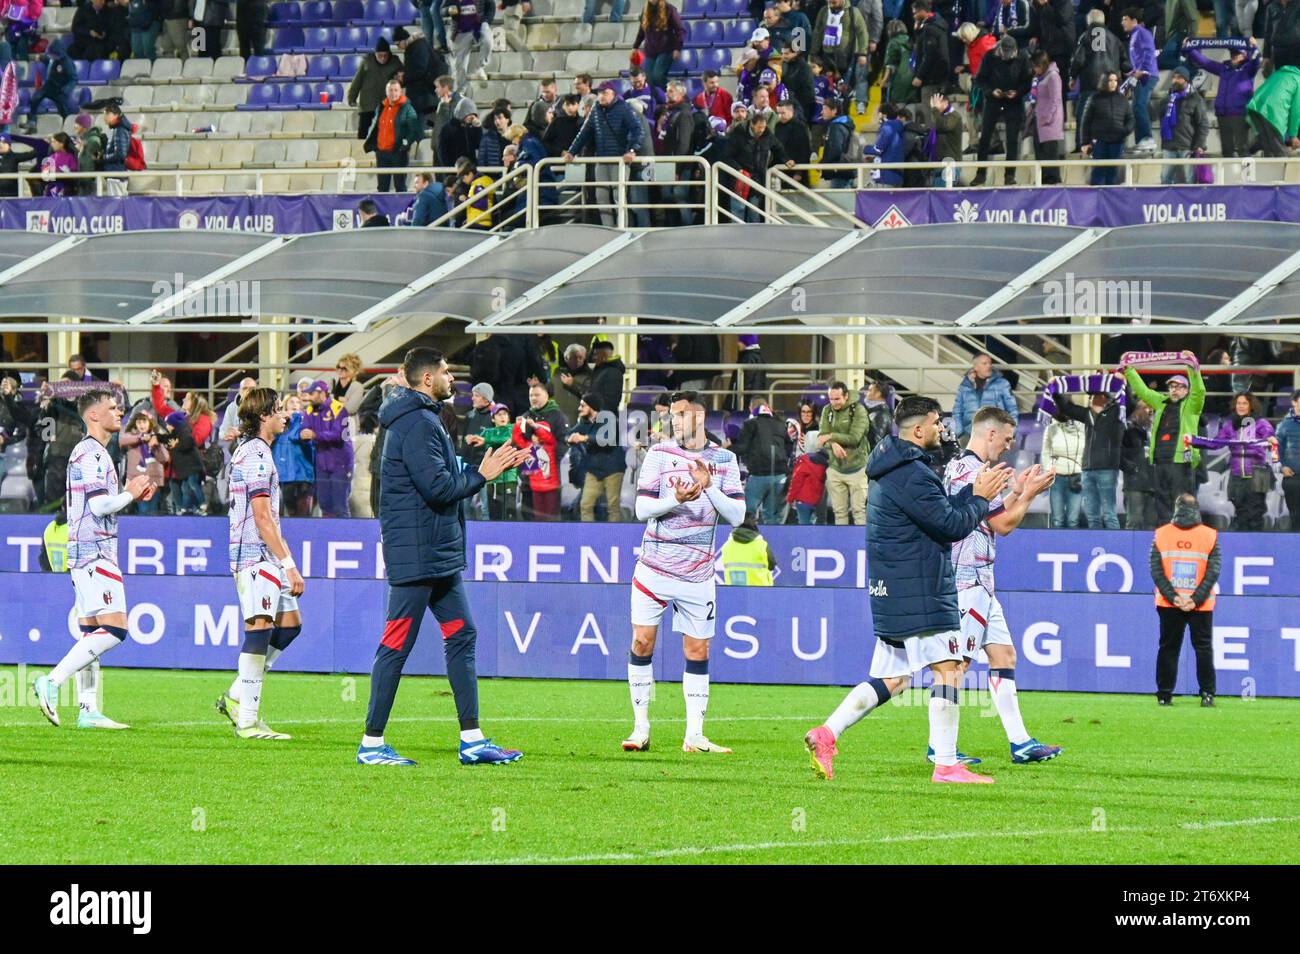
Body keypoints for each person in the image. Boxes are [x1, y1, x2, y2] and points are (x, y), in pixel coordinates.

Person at [803, 395, 1011, 784]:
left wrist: (972, 496)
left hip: (893, 587)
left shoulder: (894, 466)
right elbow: (950, 527)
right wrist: (981, 497)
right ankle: (947, 764)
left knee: (894, 679)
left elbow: (939, 513)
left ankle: (826, 733)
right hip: (919, 586)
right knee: (948, 669)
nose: (942, 430)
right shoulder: (912, 474)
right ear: (919, 430)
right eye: (936, 423)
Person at [358, 349, 529, 766]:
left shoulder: (423, 417)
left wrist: (476, 469)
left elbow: (440, 479)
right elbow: (438, 489)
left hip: (436, 554)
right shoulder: (416, 423)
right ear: (428, 378)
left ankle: (472, 739)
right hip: (417, 554)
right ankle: (371, 744)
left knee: (462, 634)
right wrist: (481, 476)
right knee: (396, 644)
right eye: (448, 371)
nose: (454, 378)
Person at [625, 391, 745, 754]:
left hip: (698, 573)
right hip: (654, 568)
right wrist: (674, 500)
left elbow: (737, 516)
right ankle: (640, 729)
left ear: (699, 416)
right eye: (672, 415)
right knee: (642, 642)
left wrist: (709, 488)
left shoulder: (724, 459)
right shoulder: (659, 454)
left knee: (697, 648)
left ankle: (694, 735)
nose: (673, 421)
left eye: (680, 414)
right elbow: (642, 509)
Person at [944, 407, 1061, 764]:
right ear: (990, 434)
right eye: (1007, 438)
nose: (1009, 445)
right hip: (968, 578)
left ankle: (1021, 743)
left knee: (1003, 656)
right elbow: (1004, 524)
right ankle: (941, 747)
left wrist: (1019, 490)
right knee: (957, 664)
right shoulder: (973, 470)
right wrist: (1029, 495)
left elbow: (991, 516)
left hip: (981, 580)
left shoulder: (964, 468)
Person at [31, 390, 153, 731]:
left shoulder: (95, 452)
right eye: (112, 408)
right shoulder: (90, 454)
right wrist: (129, 493)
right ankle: (52, 682)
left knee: (90, 632)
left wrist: (132, 492)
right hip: (95, 551)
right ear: (93, 416)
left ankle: (88, 709)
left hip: (85, 551)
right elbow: (98, 506)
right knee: (114, 629)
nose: (120, 411)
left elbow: (98, 503)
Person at [212, 389, 305, 740]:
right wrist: (289, 564)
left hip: (265, 555)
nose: (286, 415)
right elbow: (262, 516)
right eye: (279, 409)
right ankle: (248, 721)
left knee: (290, 625)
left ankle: (236, 695)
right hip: (253, 554)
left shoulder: (259, 452)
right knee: (260, 626)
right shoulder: (255, 456)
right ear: (264, 416)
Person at [1150, 494, 1221, 706]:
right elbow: (1213, 571)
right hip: (1200, 604)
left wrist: (1174, 597)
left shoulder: (1161, 534)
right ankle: (1207, 695)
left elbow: (1156, 571)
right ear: (1196, 508)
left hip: (1169, 603)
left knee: (1168, 648)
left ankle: (1164, 695)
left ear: (1176, 507)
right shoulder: (1210, 535)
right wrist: (1195, 599)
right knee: (1204, 649)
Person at [1123, 351, 1205, 526]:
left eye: (1179, 386)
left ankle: (1184, 536)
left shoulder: (1191, 405)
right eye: (1172, 386)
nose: (1174, 389)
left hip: (1181, 463)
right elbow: (1142, 391)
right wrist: (1129, 370)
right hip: (1160, 462)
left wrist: (1192, 367)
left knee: (1182, 504)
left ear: (1186, 390)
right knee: (1161, 504)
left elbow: (1199, 390)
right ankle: (1164, 536)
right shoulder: (1160, 402)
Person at [1189, 391, 1278, 532]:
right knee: (1240, 512)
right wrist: (1194, 441)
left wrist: (1270, 440)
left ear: (1251, 406)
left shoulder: (1262, 423)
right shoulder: (1230, 425)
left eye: (1244, 403)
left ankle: (1256, 546)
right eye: (1238, 403)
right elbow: (1216, 443)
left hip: (1259, 473)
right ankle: (1242, 546)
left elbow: (1270, 438)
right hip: (1237, 475)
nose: (1241, 406)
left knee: (1255, 513)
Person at [563, 82, 643, 228]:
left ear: (613, 94)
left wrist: (632, 150)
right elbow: (585, 132)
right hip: (601, 159)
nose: (601, 96)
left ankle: (622, 229)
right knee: (601, 198)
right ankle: (608, 229)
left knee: (619, 197)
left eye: (605, 93)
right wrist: (571, 151)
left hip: (620, 160)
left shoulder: (624, 108)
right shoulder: (596, 109)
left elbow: (637, 130)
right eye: (600, 93)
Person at [1056, 389, 1125, 529]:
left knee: (1109, 513)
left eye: (1096, 395)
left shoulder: (1116, 413)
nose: (1092, 398)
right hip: (1088, 469)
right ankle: (1095, 542)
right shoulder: (1087, 414)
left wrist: (1123, 385)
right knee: (1092, 514)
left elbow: (1127, 402)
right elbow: (1066, 407)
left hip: (1107, 468)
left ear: (1105, 398)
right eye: (1091, 396)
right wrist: (1055, 391)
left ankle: (1115, 545)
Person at [1183, 39, 1259, 159]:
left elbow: (1257, 60)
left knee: (1243, 150)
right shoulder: (1224, 68)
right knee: (1226, 151)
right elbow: (1206, 63)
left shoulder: (1248, 69)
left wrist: (1255, 46)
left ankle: (1247, 177)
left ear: (1244, 55)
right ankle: (1228, 177)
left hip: (1239, 114)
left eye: (1237, 54)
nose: (1233, 56)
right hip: (1222, 115)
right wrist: (1190, 49)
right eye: (1232, 53)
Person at [971, 33, 1029, 186]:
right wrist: (991, 91)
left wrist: (1018, 92)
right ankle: (980, 173)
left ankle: (1010, 175)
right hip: (993, 101)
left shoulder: (1023, 58)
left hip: (1013, 102)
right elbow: (980, 79)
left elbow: (1027, 82)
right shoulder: (990, 57)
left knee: (1012, 140)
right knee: (984, 138)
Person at [1071, 8, 1128, 154]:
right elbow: (1125, 63)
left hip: (1090, 83)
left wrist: (1073, 76)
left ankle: (1082, 145)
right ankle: (1118, 145)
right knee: (1113, 115)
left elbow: (1078, 60)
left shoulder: (1085, 36)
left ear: (1088, 21)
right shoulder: (1114, 38)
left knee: (1083, 115)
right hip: (1111, 84)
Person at [817, 381, 870, 525]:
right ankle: (843, 546)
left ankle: (861, 546)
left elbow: (854, 438)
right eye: (831, 399)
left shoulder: (858, 410)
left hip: (857, 469)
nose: (834, 403)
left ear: (846, 396)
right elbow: (821, 437)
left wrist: (830, 437)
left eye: (837, 399)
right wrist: (832, 443)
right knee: (839, 514)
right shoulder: (826, 410)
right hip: (835, 469)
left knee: (859, 512)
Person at [730, 401, 792, 524]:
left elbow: (742, 448)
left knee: (747, 515)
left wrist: (727, 449)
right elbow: (788, 448)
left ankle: (748, 541)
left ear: (751, 408)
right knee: (773, 517)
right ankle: (773, 542)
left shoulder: (750, 424)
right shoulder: (781, 424)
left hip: (759, 476)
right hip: (780, 475)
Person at [567, 392, 626, 522]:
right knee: (585, 505)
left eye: (583, 405)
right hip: (593, 469)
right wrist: (570, 438)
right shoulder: (585, 421)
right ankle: (589, 536)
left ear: (591, 406)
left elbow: (607, 439)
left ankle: (615, 537)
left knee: (613, 507)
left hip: (613, 468)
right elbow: (570, 434)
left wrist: (584, 437)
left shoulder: (608, 418)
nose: (579, 408)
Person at [512, 381, 566, 520]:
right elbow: (519, 444)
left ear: (547, 395)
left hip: (549, 479)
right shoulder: (525, 417)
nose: (533, 398)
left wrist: (550, 464)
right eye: (531, 395)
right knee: (529, 517)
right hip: (528, 479)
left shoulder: (557, 416)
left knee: (549, 518)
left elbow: (562, 444)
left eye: (537, 394)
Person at [303, 378, 353, 518]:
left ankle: (345, 536)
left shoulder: (339, 408)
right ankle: (328, 537)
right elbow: (305, 430)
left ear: (321, 393)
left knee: (340, 505)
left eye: (312, 393)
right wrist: (305, 435)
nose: (309, 397)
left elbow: (338, 435)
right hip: (321, 464)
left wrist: (314, 435)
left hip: (341, 464)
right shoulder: (309, 410)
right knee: (324, 504)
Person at [367, 79, 422, 193]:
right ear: (386, 92)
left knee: (400, 186)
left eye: (396, 90)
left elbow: (413, 130)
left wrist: (404, 145)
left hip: (398, 153)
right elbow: (374, 125)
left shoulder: (407, 108)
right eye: (390, 90)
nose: (393, 93)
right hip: (381, 153)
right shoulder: (381, 107)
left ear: (400, 91)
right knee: (382, 187)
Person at [1080, 70, 1133, 184]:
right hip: (1100, 142)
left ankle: (1112, 200)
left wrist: (1125, 131)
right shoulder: (1094, 99)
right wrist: (1084, 142)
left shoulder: (1122, 99)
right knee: (1098, 172)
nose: (1113, 83)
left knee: (1114, 173)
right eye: (1110, 80)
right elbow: (1085, 122)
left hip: (1117, 142)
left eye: (1115, 80)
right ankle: (1096, 200)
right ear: (1104, 82)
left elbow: (1130, 119)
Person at [1158, 65, 1208, 184]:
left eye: (1179, 78)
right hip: (1169, 146)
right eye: (1174, 77)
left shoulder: (1196, 99)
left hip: (1188, 147)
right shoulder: (1166, 100)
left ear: (1186, 80)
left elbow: (1203, 124)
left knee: (1190, 181)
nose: (1175, 80)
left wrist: (1200, 145)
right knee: (1165, 180)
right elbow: (1162, 119)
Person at [953, 352, 1018, 441]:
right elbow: (957, 410)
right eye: (984, 363)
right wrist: (959, 432)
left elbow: (1012, 410)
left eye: (990, 363)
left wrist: (1011, 431)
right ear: (976, 367)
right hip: (969, 434)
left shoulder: (1002, 384)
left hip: (995, 434)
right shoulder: (965, 385)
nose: (989, 366)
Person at [348, 37, 402, 140]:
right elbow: (357, 81)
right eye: (379, 56)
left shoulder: (395, 63)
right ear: (375, 54)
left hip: (386, 105)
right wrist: (352, 97)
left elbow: (402, 80)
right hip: (368, 105)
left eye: (385, 56)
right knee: (363, 135)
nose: (382, 58)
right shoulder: (367, 62)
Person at [273, 392, 315, 516]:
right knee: (285, 514)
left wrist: (296, 417)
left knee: (303, 515)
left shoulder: (306, 421)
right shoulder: (278, 424)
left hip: (303, 476)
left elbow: (297, 436)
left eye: (298, 402)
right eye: (291, 402)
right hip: (283, 477)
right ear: (285, 406)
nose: (295, 405)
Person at [1245, 63, 1300, 157]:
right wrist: (1293, 135)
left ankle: (1266, 170)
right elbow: (1296, 111)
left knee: (1268, 149)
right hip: (1273, 114)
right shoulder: (1298, 80)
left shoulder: (1279, 73)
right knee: (1279, 151)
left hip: (1256, 109)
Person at [1122, 7, 1158, 151]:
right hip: (1142, 75)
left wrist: (1142, 70)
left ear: (1134, 21)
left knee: (1138, 106)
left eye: (1125, 19)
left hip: (1147, 76)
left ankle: (1147, 138)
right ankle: (1142, 141)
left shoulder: (1142, 33)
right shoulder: (1136, 34)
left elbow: (1149, 52)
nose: (1122, 22)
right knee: (1137, 106)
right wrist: (1133, 71)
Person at [632, 0, 686, 93]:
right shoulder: (645, 10)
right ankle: (656, 101)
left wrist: (677, 48)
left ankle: (670, 95)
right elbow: (642, 31)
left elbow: (680, 30)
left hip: (666, 49)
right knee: (648, 78)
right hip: (650, 51)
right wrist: (635, 47)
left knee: (658, 75)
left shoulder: (670, 9)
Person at [1042, 409, 1084, 527]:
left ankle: (1073, 545)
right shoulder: (1051, 428)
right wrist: (1048, 471)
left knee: (1073, 520)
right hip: (1057, 478)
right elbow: (1046, 452)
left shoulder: (1082, 428)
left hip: (1077, 477)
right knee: (1057, 520)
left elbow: (1087, 451)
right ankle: (1055, 545)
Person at [1026, 50, 1063, 183]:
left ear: (1042, 64)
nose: (1034, 69)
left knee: (1050, 154)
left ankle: (1052, 181)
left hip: (1049, 123)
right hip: (1038, 121)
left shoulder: (1053, 76)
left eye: (1036, 66)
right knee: (1039, 153)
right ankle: (1041, 179)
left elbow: (1056, 99)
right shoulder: (1037, 78)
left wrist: (1047, 117)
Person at [1122, 401, 1157, 530]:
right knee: (1134, 522)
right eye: (1146, 408)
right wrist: (1131, 468)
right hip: (1134, 484)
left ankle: (1150, 550)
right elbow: (1119, 454)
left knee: (1152, 524)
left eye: (1151, 408)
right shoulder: (1128, 431)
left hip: (1153, 483)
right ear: (1137, 410)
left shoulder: (1155, 431)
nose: (1150, 411)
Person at [446, 0, 493, 93]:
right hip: (460, 31)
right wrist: (448, 10)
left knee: (488, 41)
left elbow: (491, 6)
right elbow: (441, 10)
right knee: (460, 65)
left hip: (478, 26)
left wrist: (487, 20)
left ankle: (480, 67)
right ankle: (460, 92)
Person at [720, 511, 776, 585]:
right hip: (761, 591)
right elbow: (772, 565)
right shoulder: (761, 545)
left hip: (734, 592)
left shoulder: (727, 546)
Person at [786, 448, 828, 524]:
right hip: (816, 502)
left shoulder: (804, 461)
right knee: (812, 526)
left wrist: (790, 498)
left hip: (802, 500)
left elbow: (796, 481)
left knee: (804, 527)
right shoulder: (826, 466)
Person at [1278, 388, 1300, 529]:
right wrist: (1282, 466)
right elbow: (1275, 450)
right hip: (1293, 477)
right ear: (1294, 402)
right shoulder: (1284, 425)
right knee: (1296, 516)